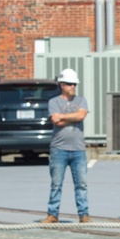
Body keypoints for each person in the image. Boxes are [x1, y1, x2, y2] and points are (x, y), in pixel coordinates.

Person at [40, 68, 90, 224]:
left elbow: (81, 115)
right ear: (62, 85)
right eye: (69, 84)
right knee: (56, 184)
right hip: (59, 149)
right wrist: (73, 118)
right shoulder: (53, 102)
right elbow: (56, 121)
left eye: (74, 84)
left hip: (78, 150)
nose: (73, 87)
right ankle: (52, 214)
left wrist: (64, 117)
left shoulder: (81, 100)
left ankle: (84, 214)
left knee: (81, 184)